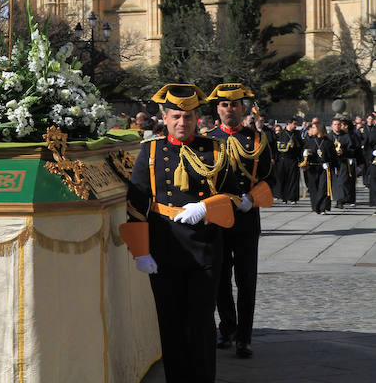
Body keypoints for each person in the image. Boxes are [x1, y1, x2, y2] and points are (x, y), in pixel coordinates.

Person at [119, 84, 238, 383]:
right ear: (165, 118)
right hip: (164, 246)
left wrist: (206, 207)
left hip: (205, 247)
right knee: (170, 323)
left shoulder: (216, 149)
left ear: (197, 118)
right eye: (175, 116)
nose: (182, 122)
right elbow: (136, 202)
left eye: (187, 117)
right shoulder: (150, 151)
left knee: (201, 323)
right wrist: (141, 251)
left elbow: (235, 196)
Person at [205, 83, 273, 360]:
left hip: (246, 218)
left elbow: (270, 178)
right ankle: (227, 328)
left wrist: (252, 198)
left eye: (234, 104)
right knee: (219, 277)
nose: (229, 109)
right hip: (218, 218)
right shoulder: (207, 140)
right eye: (224, 105)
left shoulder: (258, 140)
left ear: (243, 108)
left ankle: (244, 337)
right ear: (217, 109)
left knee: (246, 279)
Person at [301, 121, 338, 214]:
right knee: (313, 188)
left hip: (324, 168)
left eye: (314, 128)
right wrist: (305, 157)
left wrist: (334, 166)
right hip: (313, 168)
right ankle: (315, 206)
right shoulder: (310, 141)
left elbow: (333, 156)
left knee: (323, 188)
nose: (312, 130)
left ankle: (322, 207)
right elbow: (304, 154)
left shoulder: (328, 142)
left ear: (319, 129)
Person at [274, 118, 303, 204]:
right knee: (283, 179)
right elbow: (276, 148)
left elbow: (301, 147)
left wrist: (301, 159)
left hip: (293, 159)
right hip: (282, 160)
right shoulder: (280, 134)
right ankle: (284, 197)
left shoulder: (297, 134)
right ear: (289, 124)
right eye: (294, 124)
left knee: (293, 179)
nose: (296, 126)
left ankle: (293, 198)